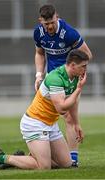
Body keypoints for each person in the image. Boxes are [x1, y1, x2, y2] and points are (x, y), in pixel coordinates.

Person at [0, 49, 89, 170]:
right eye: (83, 66)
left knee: (66, 164)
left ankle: (21, 160)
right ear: (73, 65)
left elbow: (72, 103)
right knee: (44, 166)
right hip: (35, 123)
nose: (85, 69)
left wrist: (76, 124)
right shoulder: (56, 78)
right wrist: (79, 89)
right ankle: (1, 158)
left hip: (50, 124)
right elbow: (62, 108)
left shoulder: (74, 78)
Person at [34, 4, 92, 165]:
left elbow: (87, 55)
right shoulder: (38, 33)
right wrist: (39, 75)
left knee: (69, 118)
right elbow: (39, 53)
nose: (50, 26)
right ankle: (40, 154)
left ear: (56, 17)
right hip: (51, 82)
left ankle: (73, 158)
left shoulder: (69, 33)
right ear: (41, 21)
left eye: (52, 22)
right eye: (46, 24)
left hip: (69, 81)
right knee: (46, 117)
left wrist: (76, 71)